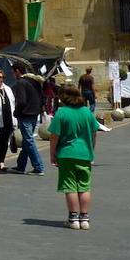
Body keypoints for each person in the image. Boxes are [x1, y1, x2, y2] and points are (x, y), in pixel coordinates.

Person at [48, 82, 100, 230]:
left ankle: (73, 218)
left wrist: (53, 154)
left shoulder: (62, 113)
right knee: (84, 186)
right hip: (84, 153)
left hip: (66, 153)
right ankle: (85, 218)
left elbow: (54, 136)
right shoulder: (87, 112)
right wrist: (91, 150)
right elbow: (94, 133)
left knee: (70, 186)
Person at [11, 63, 45, 175]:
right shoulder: (35, 81)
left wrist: (16, 112)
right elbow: (43, 97)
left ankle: (38, 166)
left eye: (13, 72)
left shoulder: (21, 83)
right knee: (26, 140)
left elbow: (21, 101)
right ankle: (21, 165)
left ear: (17, 71)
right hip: (34, 114)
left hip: (25, 115)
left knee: (29, 140)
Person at [0, 70, 15, 173]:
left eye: (1, 77)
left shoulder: (8, 89)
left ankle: (1, 162)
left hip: (8, 119)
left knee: (5, 142)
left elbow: (13, 102)